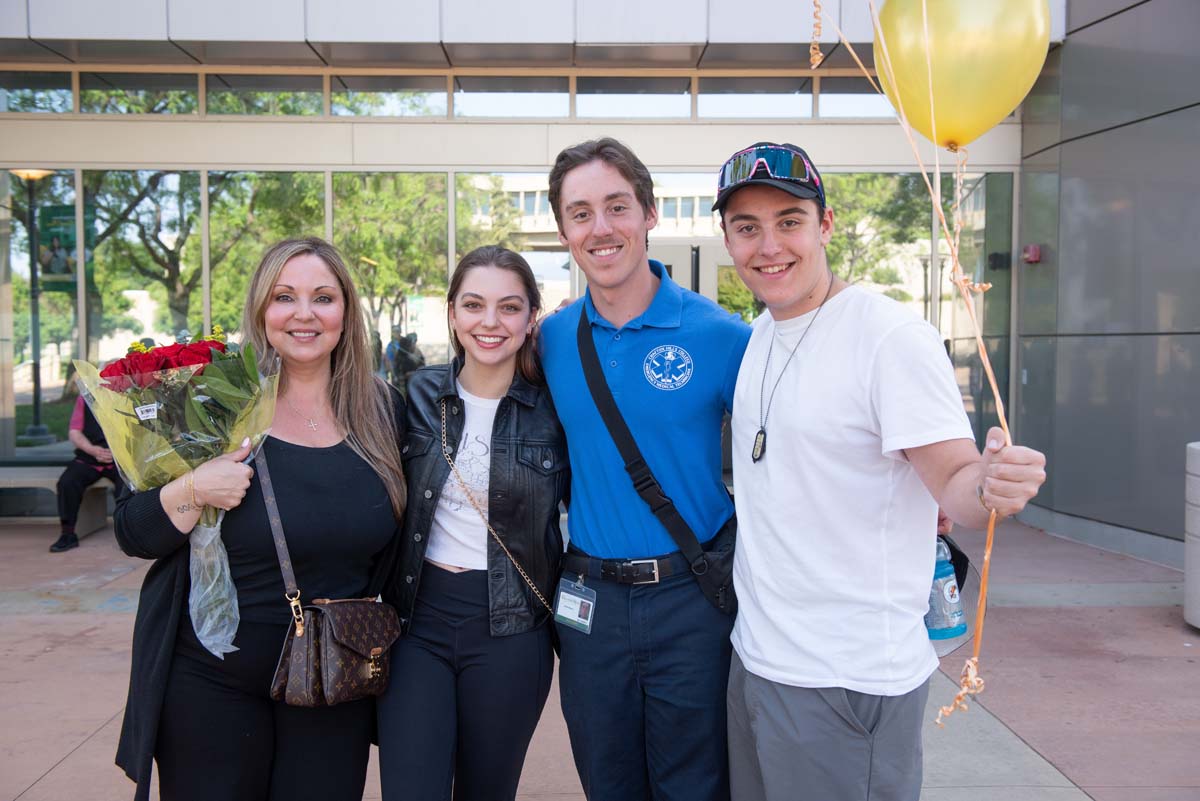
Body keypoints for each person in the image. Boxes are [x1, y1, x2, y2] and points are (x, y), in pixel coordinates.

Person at [714, 142, 1047, 801]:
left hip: (846, 678)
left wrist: (989, 485)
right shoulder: (759, 335)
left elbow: (953, 477)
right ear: (727, 237)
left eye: (789, 220)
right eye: (747, 227)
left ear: (826, 225)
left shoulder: (889, 336)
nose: (768, 245)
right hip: (757, 660)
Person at [112, 237, 407, 801]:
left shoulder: (383, 412)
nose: (303, 314)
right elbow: (133, 531)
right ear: (260, 310)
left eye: (323, 297)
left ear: (346, 312)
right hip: (210, 685)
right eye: (284, 297)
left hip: (332, 681)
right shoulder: (214, 402)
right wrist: (194, 486)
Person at [539, 138, 751, 801]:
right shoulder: (546, 340)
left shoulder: (721, 335)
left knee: (695, 784)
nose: (600, 228)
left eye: (616, 206)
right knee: (608, 781)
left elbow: (801, 436)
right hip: (588, 605)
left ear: (649, 213)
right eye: (580, 213)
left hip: (692, 596)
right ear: (564, 229)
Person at [378, 245, 567, 801]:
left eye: (509, 307)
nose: (490, 322)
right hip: (417, 622)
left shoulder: (554, 410)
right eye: (474, 305)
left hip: (512, 628)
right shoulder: (415, 396)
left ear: (532, 317)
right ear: (453, 313)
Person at [50, 393, 120, 552]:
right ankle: (67, 534)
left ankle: (129, 534)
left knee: (129, 486)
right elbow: (75, 432)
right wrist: (93, 450)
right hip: (90, 455)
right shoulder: (85, 398)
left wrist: (117, 453)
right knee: (67, 483)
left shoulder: (129, 396)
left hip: (120, 458)